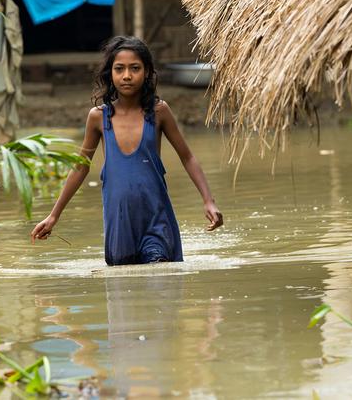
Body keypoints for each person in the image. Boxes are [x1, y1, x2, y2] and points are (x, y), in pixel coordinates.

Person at [30, 36, 223, 265]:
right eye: (119, 69)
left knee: (159, 276)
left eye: (135, 68)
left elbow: (188, 157)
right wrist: (54, 215)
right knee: (124, 291)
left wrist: (208, 200)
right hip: (119, 226)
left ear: (147, 72)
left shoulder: (159, 112)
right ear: (110, 73)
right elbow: (80, 168)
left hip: (156, 221)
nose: (127, 76)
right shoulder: (98, 118)